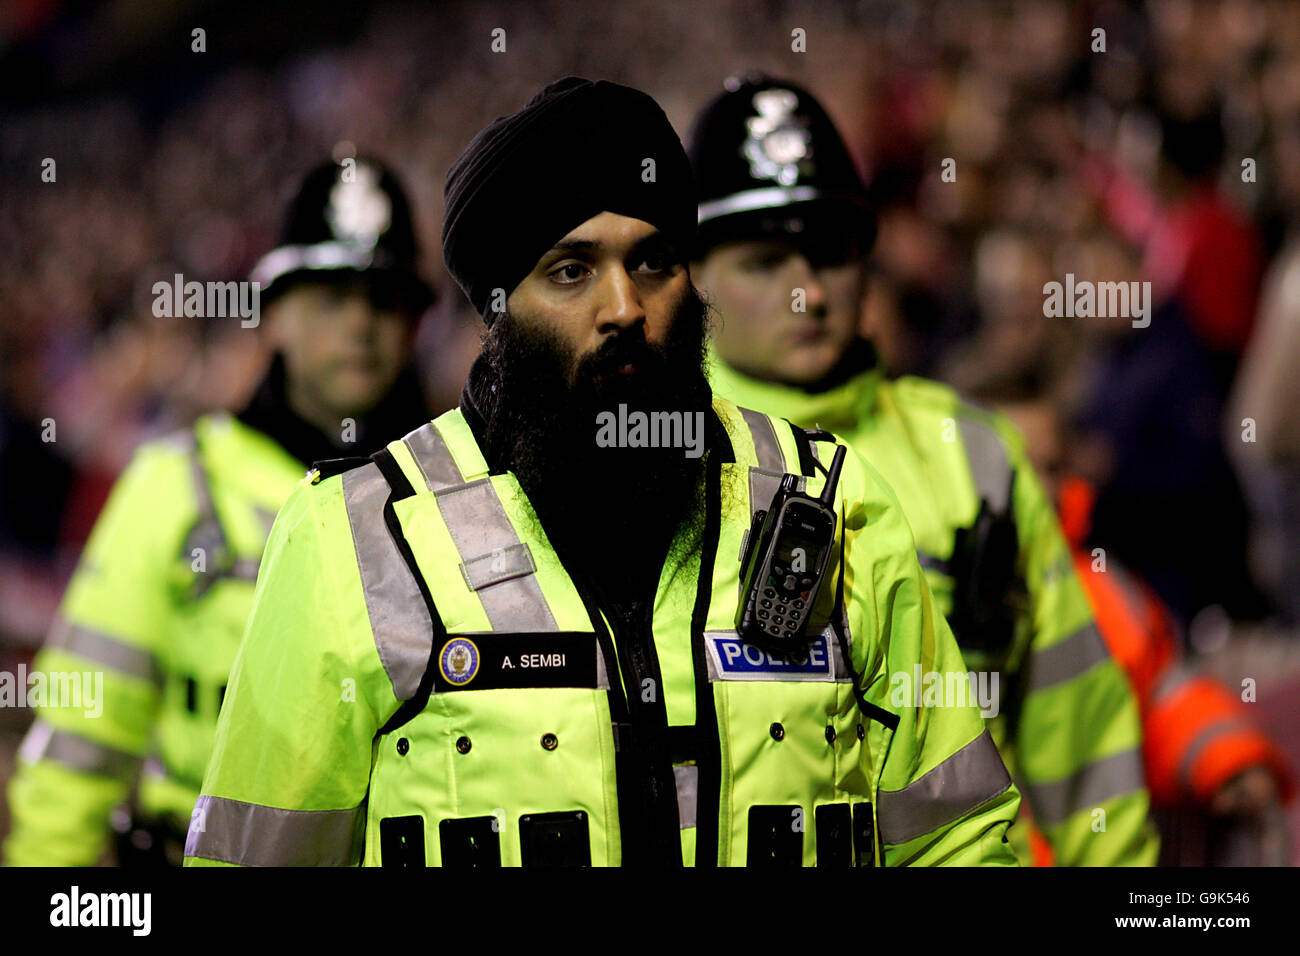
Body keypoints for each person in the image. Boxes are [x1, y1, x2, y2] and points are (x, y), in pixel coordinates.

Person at [185, 77, 1019, 868]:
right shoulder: (354, 538)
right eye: (572, 270)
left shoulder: (832, 505)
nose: (623, 307)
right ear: (499, 309)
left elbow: (958, 838)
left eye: (654, 261)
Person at [693, 75, 1158, 865]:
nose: (808, 292)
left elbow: (1074, 727)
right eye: (766, 260)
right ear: (694, 277)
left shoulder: (976, 450)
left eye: (832, 254)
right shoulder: (664, 467)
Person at [4, 157, 434, 866]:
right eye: (330, 296)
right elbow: (80, 745)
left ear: (417, 323)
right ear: (274, 316)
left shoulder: (454, 490)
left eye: (385, 300)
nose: (360, 323)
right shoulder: (172, 486)